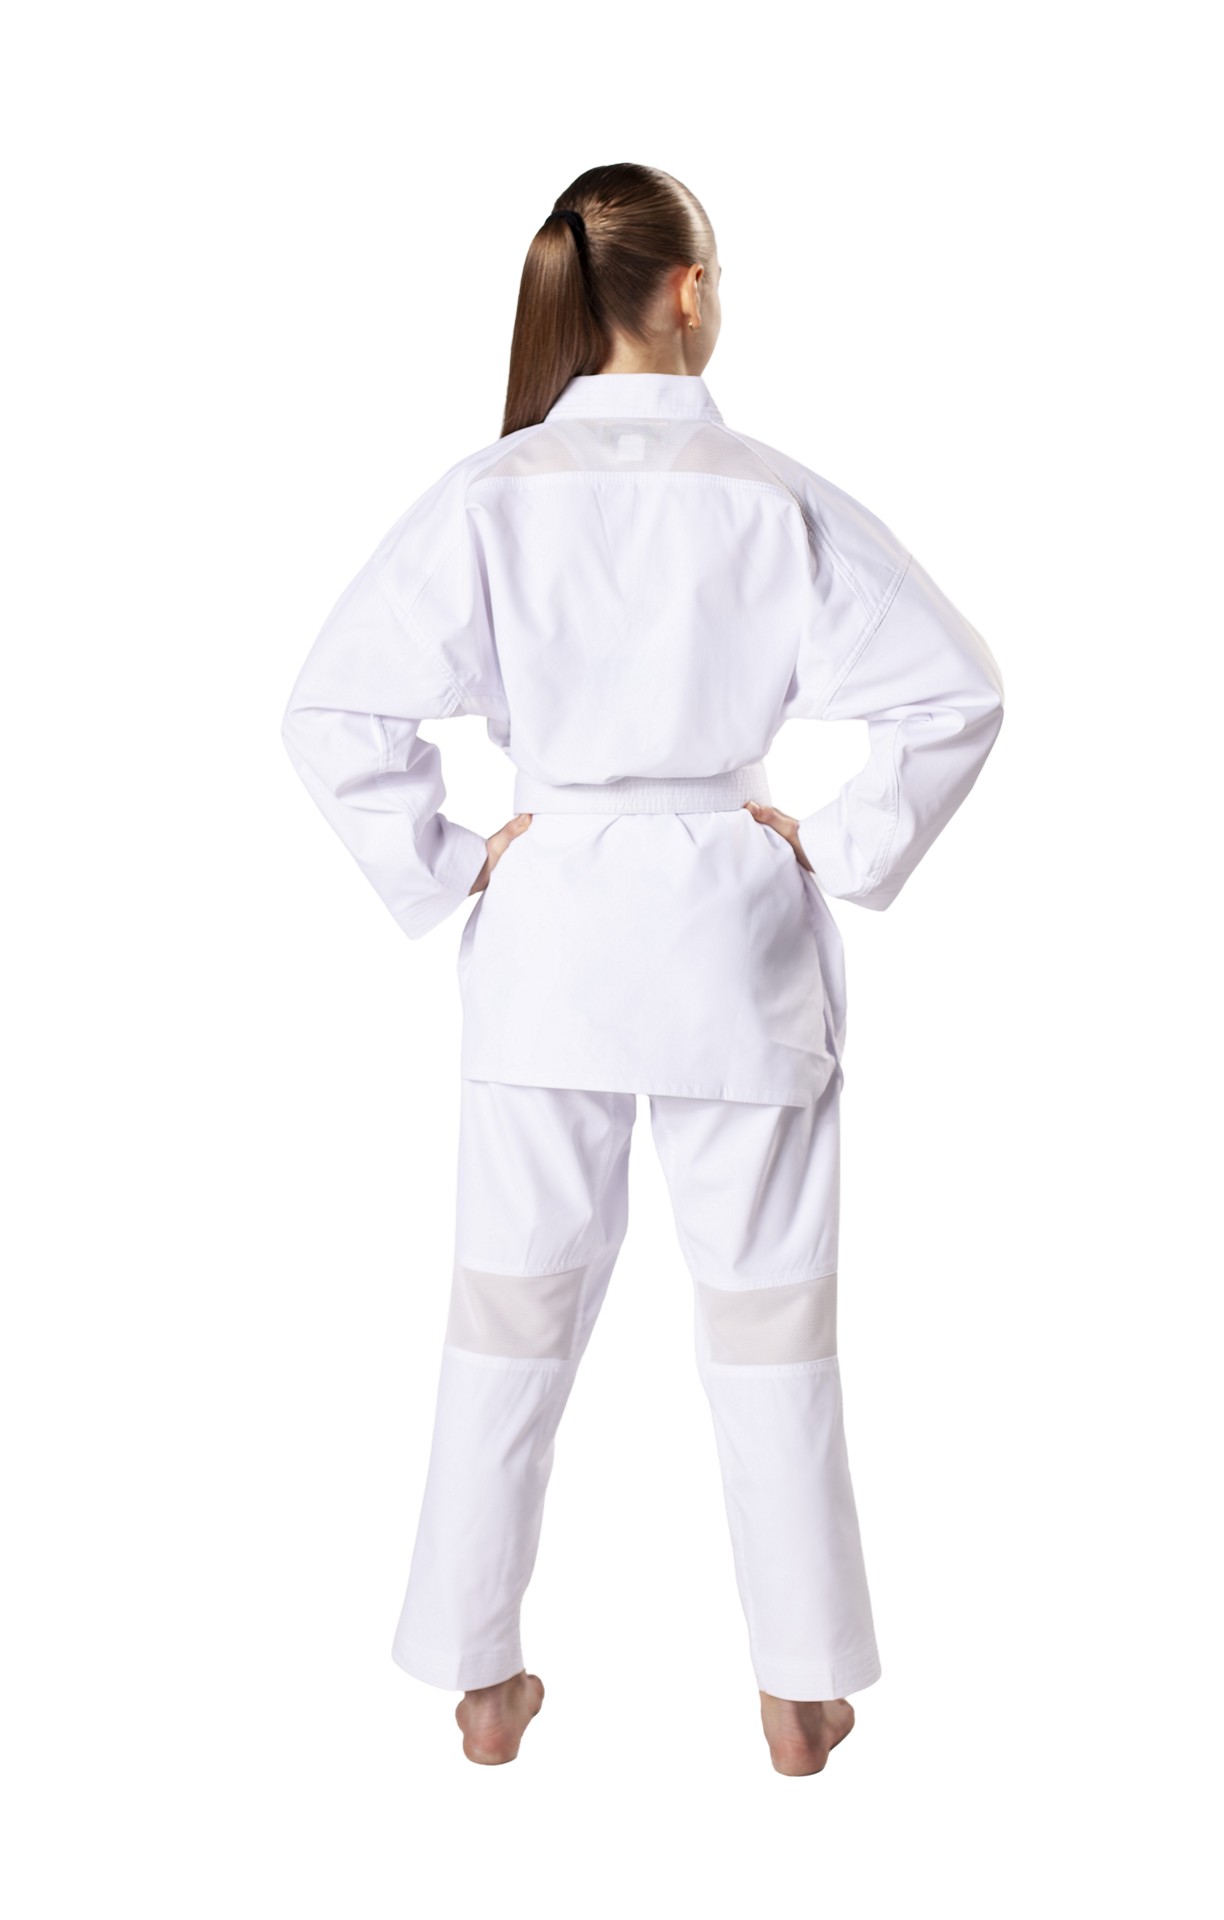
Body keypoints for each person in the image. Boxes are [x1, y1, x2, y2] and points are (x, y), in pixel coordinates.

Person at [280, 162, 1005, 1774]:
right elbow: (956, 694)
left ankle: (478, 1682)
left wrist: (452, 860)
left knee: (509, 1308)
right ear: (687, 291)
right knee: (768, 1315)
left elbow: (329, 712)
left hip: (549, 936)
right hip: (730, 930)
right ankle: (799, 1690)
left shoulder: (490, 495)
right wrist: (838, 846)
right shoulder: (768, 493)